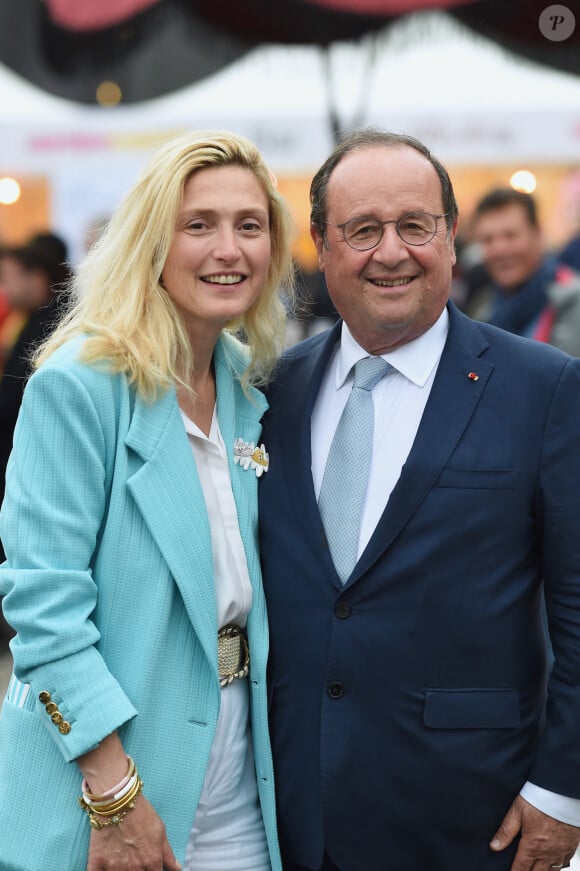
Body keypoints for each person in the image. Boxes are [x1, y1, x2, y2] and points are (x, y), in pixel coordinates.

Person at [258, 128, 580, 871]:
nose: (392, 252)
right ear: (321, 242)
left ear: (451, 233)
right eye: (364, 229)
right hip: (291, 815)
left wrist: (562, 789)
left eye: (415, 225)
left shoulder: (544, 388)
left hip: (472, 816)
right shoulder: (272, 392)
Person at [0, 129, 294, 871]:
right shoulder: (79, 383)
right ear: (150, 242)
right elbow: (42, 607)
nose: (228, 248)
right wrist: (114, 795)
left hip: (238, 791)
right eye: (198, 224)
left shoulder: (243, 386)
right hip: (108, 790)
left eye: (248, 225)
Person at [466, 187, 580, 355]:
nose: (499, 249)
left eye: (510, 235)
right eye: (488, 239)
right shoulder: (483, 306)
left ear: (538, 235)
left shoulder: (572, 300)